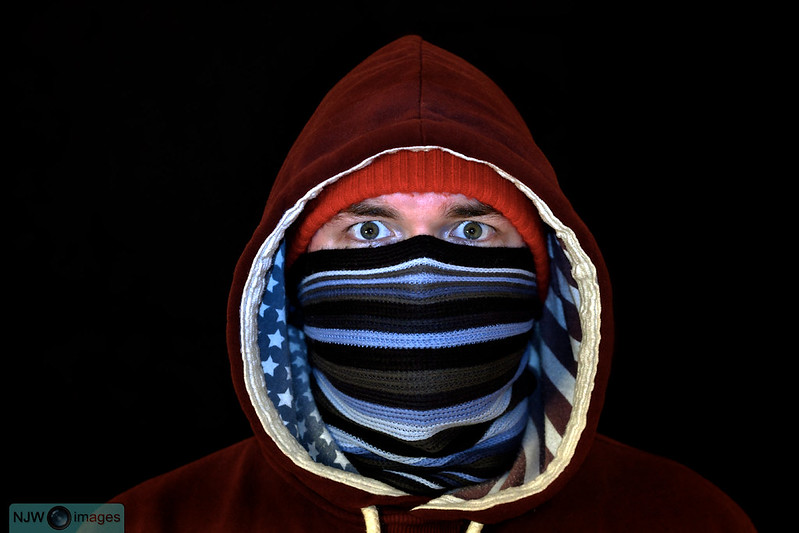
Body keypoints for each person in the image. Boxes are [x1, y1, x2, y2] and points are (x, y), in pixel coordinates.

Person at [112, 35, 755, 532]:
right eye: (368, 231)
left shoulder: (687, 518)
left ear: (544, 281)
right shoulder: (146, 521)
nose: (422, 272)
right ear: (292, 281)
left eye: (471, 231)